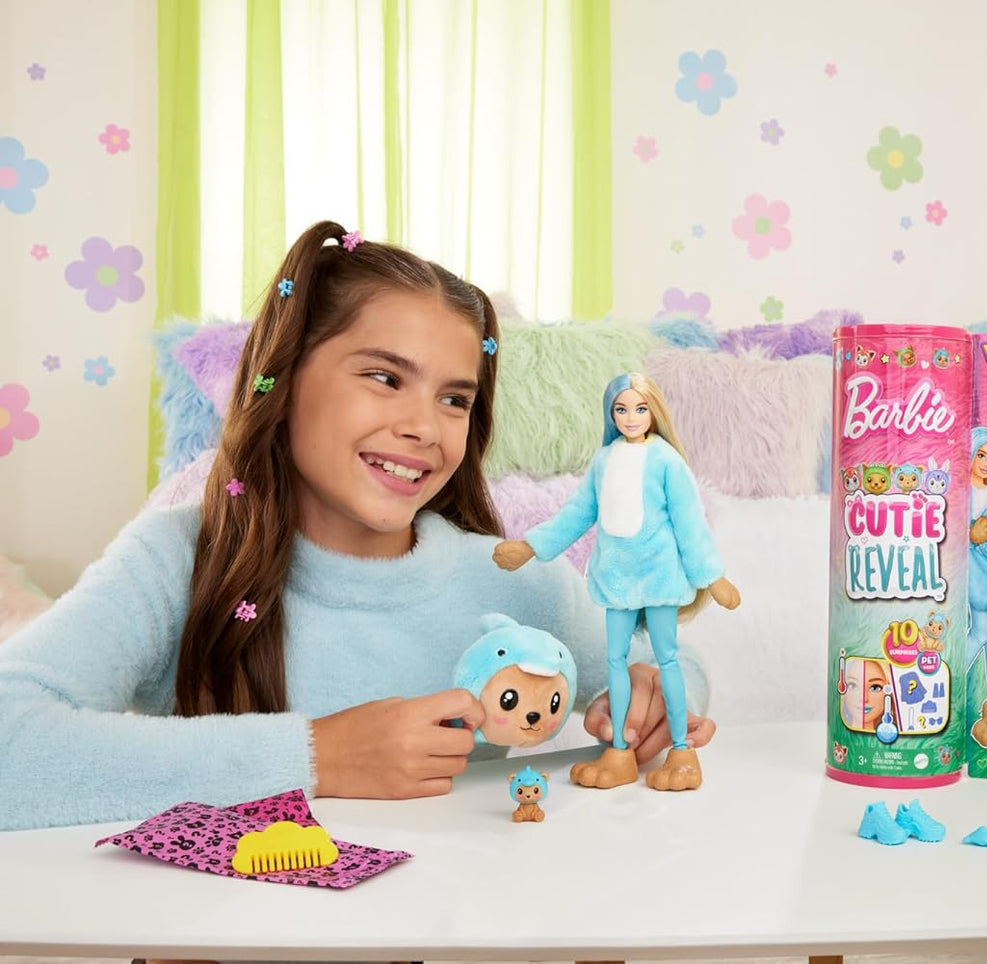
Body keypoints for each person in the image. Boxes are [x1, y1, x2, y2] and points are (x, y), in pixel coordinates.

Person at [0, 221, 714, 834]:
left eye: (454, 399)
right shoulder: (179, 561)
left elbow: (669, 664)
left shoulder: (510, 583)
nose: (423, 427)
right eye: (384, 378)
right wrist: (320, 756)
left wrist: (655, 699)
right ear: (286, 379)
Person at [493, 372, 740, 791]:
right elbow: (576, 514)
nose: (631, 417)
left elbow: (690, 523)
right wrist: (531, 546)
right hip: (617, 583)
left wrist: (711, 577)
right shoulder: (604, 461)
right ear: (611, 414)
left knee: (667, 661)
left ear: (653, 412)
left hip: (660, 580)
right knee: (616, 663)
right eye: (621, 409)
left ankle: (682, 752)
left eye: (640, 408)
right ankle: (620, 753)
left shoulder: (666, 461)